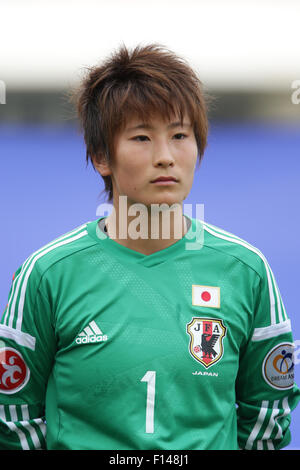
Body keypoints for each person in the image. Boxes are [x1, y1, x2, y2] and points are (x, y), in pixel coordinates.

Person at [0, 43, 299, 451]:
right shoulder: (47, 273)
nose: (165, 157)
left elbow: (267, 416)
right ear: (102, 155)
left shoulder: (246, 270)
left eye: (179, 135)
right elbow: (12, 417)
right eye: (141, 137)